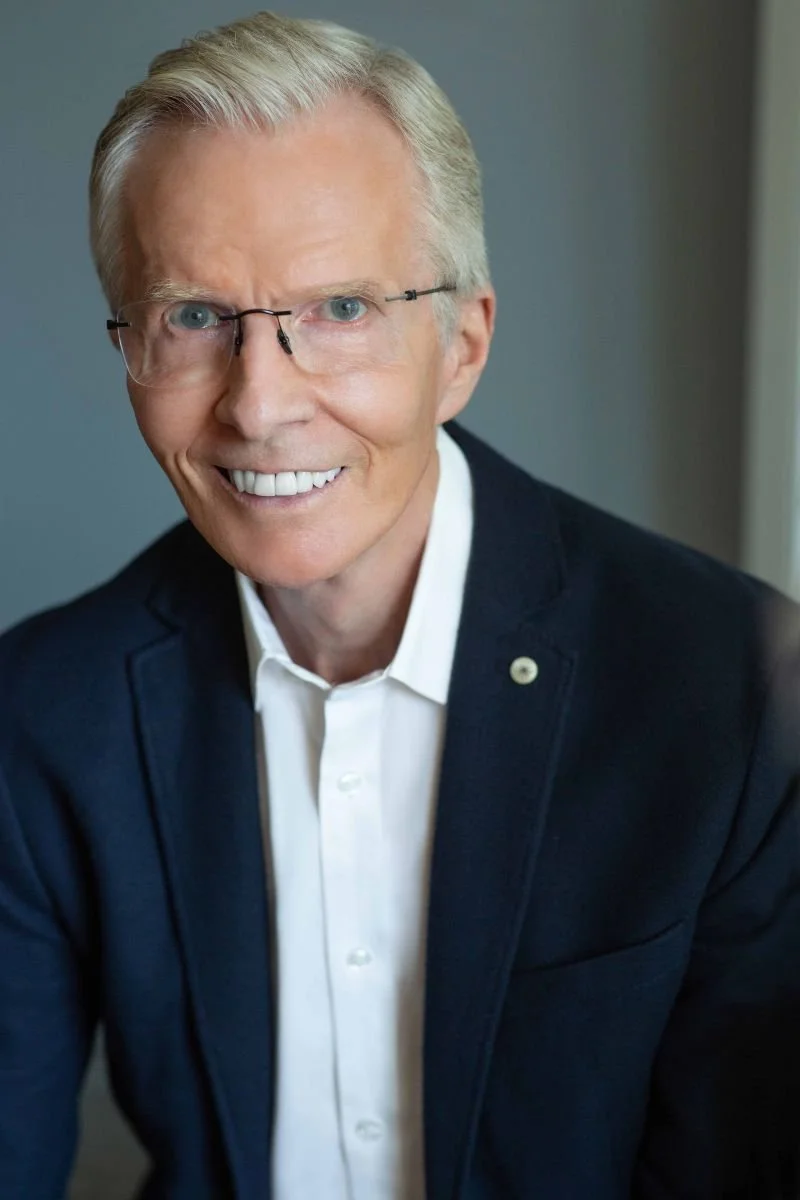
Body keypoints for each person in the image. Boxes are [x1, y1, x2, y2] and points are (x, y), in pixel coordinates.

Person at [1, 11, 799, 1199]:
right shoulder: (43, 716)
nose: (259, 405)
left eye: (339, 310)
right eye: (195, 317)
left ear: (459, 346)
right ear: (129, 350)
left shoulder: (737, 695)